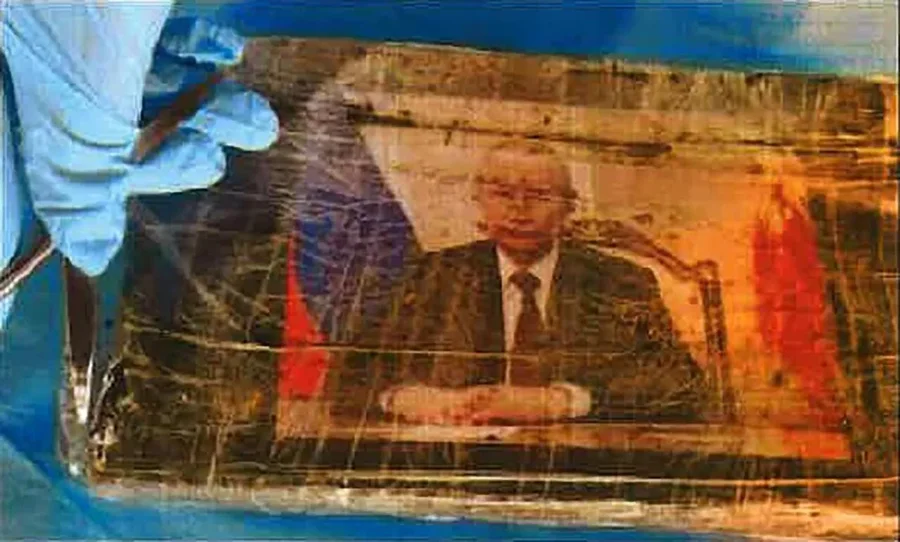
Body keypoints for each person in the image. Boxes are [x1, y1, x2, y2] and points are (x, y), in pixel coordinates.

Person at [363, 139, 711, 425]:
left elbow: (682, 384)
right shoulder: (434, 274)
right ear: (478, 201)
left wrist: (561, 401)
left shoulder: (620, 281)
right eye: (502, 194)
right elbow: (356, 371)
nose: (519, 210)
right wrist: (406, 397)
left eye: (540, 196)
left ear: (568, 207)